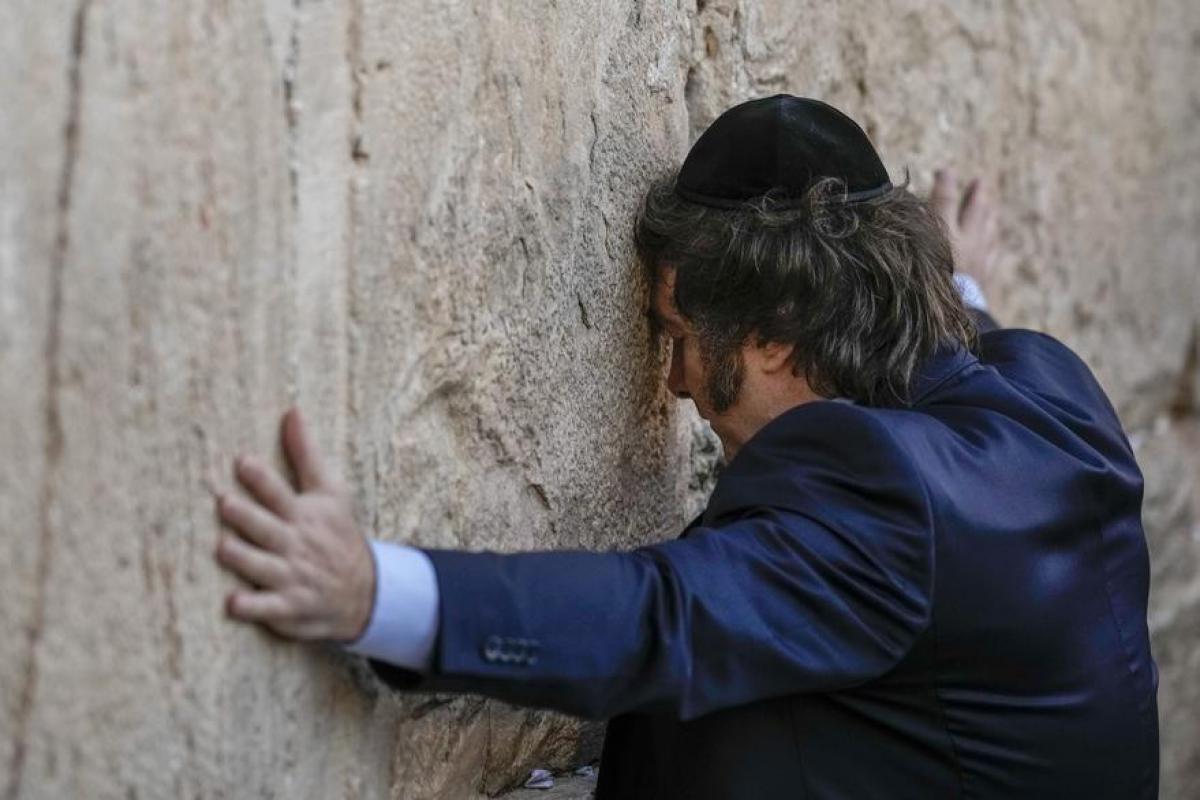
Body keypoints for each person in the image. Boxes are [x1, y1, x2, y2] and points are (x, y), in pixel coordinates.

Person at [211, 96, 1159, 799]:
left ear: (778, 336)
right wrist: (957, 284)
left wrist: (374, 593)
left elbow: (662, 615)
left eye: (680, 335)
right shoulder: (1050, 390)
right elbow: (979, 341)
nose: (673, 382)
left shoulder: (891, 504)